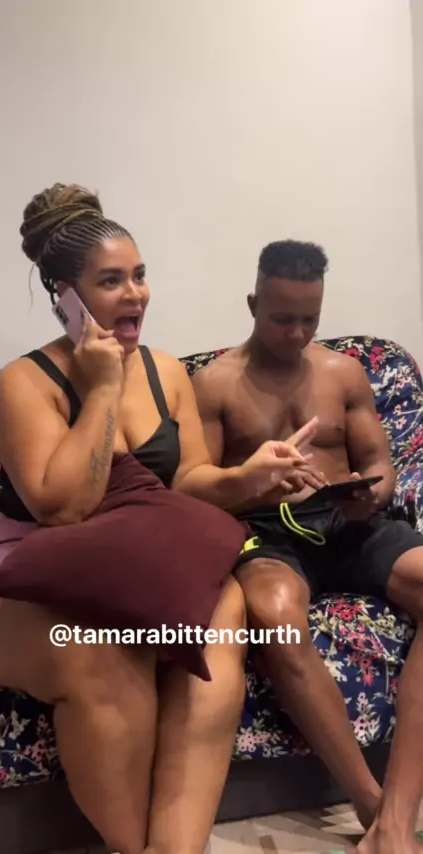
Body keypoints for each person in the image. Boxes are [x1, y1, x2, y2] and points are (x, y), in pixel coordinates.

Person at [0, 188, 314, 854]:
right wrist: (104, 388)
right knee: (93, 649)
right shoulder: (24, 384)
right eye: (111, 281)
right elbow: (64, 509)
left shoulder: (167, 371)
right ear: (65, 295)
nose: (135, 293)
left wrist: (247, 478)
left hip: (130, 558)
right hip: (18, 568)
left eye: (140, 275)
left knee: (222, 608)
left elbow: (189, 484)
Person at [191, 239, 423, 854]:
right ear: (252, 304)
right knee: (273, 616)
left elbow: (379, 461)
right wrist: (253, 481)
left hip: (350, 521)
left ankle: (397, 815)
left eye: (309, 319)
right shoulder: (214, 384)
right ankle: (372, 807)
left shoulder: (344, 372)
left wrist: (371, 493)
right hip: (267, 530)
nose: (296, 333)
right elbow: (193, 488)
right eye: (281, 318)